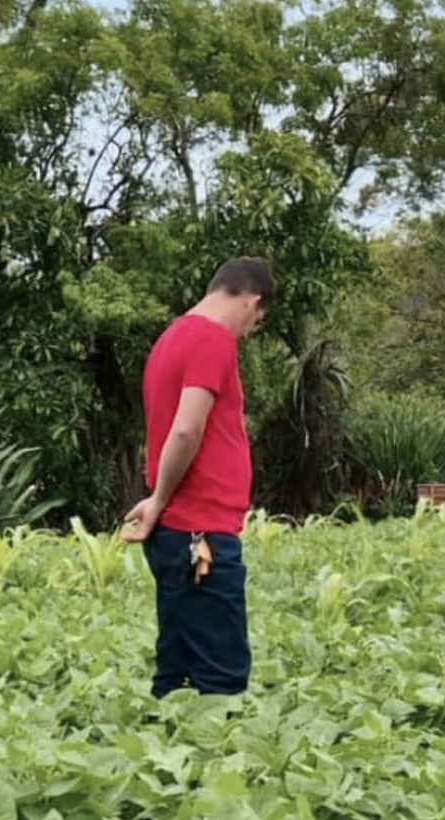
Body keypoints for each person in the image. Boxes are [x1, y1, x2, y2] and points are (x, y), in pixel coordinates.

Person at [121, 257, 274, 698]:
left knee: (177, 672)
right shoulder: (213, 338)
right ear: (251, 301)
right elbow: (187, 428)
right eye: (257, 322)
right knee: (220, 676)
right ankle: (215, 763)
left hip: (178, 534)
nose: (248, 332)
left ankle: (167, 760)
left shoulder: (171, 338)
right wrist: (159, 498)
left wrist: (159, 503)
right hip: (200, 532)